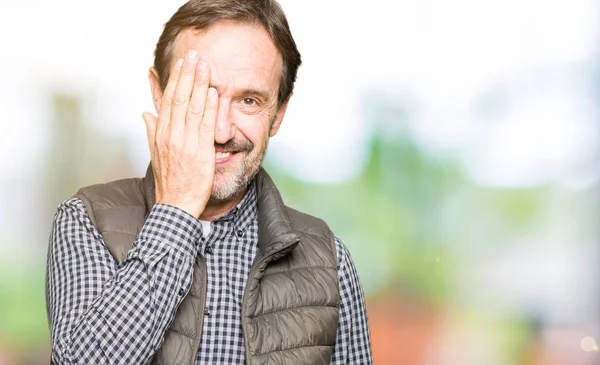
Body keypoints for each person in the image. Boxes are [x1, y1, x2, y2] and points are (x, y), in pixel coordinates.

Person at [45, 0, 373, 364]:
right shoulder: (85, 221)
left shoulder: (330, 260)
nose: (220, 131)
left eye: (249, 100)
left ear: (279, 113)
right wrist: (177, 209)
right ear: (159, 92)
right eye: (203, 95)